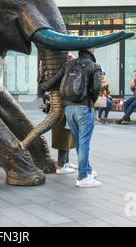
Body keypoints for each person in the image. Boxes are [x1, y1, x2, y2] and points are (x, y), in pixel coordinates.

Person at [41, 48, 103, 187]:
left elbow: (53, 81)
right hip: (84, 108)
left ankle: (87, 170)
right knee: (84, 143)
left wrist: (42, 86)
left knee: (80, 142)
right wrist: (91, 100)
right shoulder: (94, 66)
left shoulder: (68, 64)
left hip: (69, 109)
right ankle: (83, 177)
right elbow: (98, 87)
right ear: (92, 52)